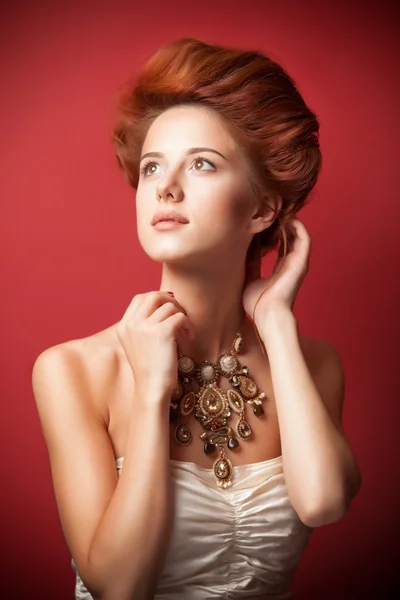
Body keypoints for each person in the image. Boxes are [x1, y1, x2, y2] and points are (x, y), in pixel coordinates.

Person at [32, 37, 362, 600]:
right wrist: (152, 391)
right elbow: (119, 587)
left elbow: (323, 501)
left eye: (202, 164)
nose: (165, 186)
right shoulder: (72, 371)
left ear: (262, 209)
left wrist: (276, 322)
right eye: (152, 166)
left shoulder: (313, 362)